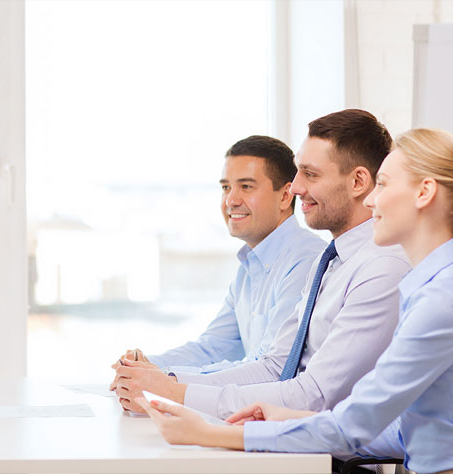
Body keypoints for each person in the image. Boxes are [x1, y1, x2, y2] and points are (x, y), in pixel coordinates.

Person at [138, 127, 453, 474]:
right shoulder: (425, 287)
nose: (371, 200)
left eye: (384, 184)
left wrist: (215, 433)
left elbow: (352, 426)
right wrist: (286, 420)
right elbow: (407, 432)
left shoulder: (438, 298)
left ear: (424, 193)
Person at [115, 109, 411, 418]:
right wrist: (164, 380)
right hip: (298, 437)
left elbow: (313, 395)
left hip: (332, 457)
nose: (295, 187)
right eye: (226, 187)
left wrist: (174, 390)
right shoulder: (329, 263)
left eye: (310, 174)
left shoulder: (380, 266)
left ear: (358, 182)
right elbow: (275, 367)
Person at [110, 136, 325, 383]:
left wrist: (166, 379)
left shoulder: (306, 261)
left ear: (286, 196)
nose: (231, 200)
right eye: (225, 187)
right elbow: (213, 347)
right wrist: (147, 366)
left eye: (246, 187)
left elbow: (272, 370)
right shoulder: (250, 266)